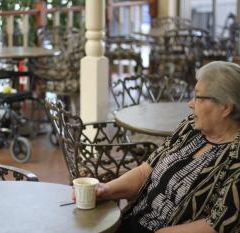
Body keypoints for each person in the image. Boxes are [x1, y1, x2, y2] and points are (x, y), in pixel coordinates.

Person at [77, 61, 240, 233]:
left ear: (225, 107)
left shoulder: (236, 158)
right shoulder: (191, 127)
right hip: (132, 221)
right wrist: (106, 189)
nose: (190, 104)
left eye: (198, 97)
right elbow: (145, 171)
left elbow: (217, 225)